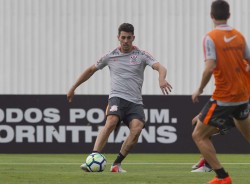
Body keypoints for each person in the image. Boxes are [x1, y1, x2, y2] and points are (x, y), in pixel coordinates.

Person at [67, 23, 172, 172]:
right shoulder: (110, 56)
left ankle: (116, 164)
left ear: (133, 38)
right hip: (117, 97)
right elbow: (91, 70)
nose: (126, 41)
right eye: (123, 38)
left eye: (129, 38)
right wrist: (73, 87)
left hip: (135, 102)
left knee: (137, 129)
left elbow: (161, 67)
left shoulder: (142, 55)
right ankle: (93, 157)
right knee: (112, 121)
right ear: (118, 38)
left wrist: (161, 79)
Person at [192, 0, 250, 183]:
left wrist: (199, 89)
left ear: (211, 16)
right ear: (229, 15)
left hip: (224, 98)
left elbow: (210, 67)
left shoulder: (211, 37)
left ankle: (222, 177)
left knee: (198, 135)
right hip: (242, 96)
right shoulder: (239, 36)